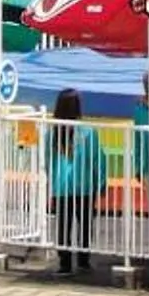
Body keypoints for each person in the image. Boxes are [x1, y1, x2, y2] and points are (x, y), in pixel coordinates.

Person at [50, 87, 106, 279]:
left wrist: (52, 181)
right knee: (85, 224)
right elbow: (97, 157)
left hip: (61, 187)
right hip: (84, 185)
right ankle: (83, 260)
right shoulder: (88, 131)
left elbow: (47, 161)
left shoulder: (53, 132)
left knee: (63, 225)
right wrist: (101, 181)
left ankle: (64, 263)